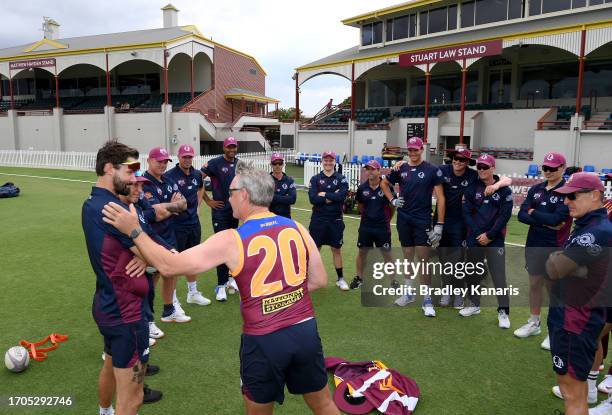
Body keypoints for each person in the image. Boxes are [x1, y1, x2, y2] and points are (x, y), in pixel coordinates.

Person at [102, 161, 340, 415]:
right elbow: (319, 280)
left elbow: (169, 266)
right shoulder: (297, 227)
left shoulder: (231, 239)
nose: (228, 197)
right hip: (305, 330)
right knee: (323, 403)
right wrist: (284, 296)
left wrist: (134, 230)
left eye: (232, 192)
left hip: (264, 339)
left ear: (245, 195)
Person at [82, 141, 162, 415]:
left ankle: (104, 412)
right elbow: (159, 259)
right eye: (129, 172)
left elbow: (140, 251)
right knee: (133, 397)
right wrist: (146, 254)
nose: (132, 179)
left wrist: (141, 254)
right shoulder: (114, 210)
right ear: (108, 168)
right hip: (126, 313)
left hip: (108, 304)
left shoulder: (94, 201)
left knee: (110, 365)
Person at [544, 172, 611, 415]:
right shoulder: (590, 225)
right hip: (577, 317)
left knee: (571, 392)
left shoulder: (595, 232)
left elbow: (553, 268)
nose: (566, 201)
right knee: (576, 389)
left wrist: (557, 261)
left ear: (594, 196)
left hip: (574, 321)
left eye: (572, 196)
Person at [380, 137, 445, 317]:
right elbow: (384, 183)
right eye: (410, 150)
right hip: (404, 219)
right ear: (407, 151)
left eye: (416, 150)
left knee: (423, 259)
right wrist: (392, 199)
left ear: (421, 150)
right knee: (408, 257)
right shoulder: (401, 168)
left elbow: (441, 198)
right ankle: (408, 293)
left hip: (423, 219)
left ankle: (427, 299)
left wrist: (439, 224)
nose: (413, 153)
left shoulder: (431, 170)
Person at [516, 152, 572, 349]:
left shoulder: (567, 192)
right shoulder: (536, 189)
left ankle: (554, 330)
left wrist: (534, 213)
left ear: (563, 168)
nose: (548, 171)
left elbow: (557, 220)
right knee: (534, 284)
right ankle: (534, 322)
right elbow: (522, 215)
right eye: (545, 168)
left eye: (553, 168)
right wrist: (541, 218)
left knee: (553, 289)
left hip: (555, 247)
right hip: (534, 243)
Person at [461, 154, 513, 328]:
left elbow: (504, 216)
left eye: (485, 167)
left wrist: (490, 235)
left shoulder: (504, 189)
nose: (481, 170)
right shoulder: (471, 187)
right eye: (479, 167)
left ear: (493, 168)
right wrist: (479, 235)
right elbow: (466, 212)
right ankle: (474, 304)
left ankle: (503, 311)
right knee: (473, 273)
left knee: (499, 276)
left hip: (495, 239)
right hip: (475, 238)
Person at [143, 147, 190, 323]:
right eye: (159, 161)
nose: (162, 165)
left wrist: (167, 206)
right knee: (152, 277)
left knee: (171, 272)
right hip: (152, 237)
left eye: (165, 162)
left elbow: (183, 204)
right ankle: (147, 320)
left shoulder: (168, 180)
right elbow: (156, 214)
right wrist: (172, 206)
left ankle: (169, 310)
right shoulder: (144, 183)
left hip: (169, 235)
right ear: (149, 160)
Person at [164, 144, 211, 306]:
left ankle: (192, 293)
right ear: (179, 157)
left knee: (193, 259)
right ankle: (173, 299)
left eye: (190, 157)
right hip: (176, 225)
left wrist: (197, 204)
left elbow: (200, 187)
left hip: (193, 223)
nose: (187, 160)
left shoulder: (197, 174)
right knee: (176, 262)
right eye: (184, 157)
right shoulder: (169, 176)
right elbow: (165, 197)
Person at [201, 137, 240, 301]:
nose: (231, 149)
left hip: (235, 211)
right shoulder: (214, 163)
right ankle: (221, 285)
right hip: (220, 211)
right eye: (229, 147)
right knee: (221, 247)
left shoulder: (239, 164)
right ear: (224, 148)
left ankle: (232, 279)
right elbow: (197, 179)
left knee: (233, 245)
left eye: (234, 147)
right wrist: (208, 200)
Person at [308, 151, 349, 291]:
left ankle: (341, 279)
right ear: (322, 161)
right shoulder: (315, 179)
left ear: (334, 162)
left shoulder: (341, 178)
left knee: (336, 249)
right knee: (315, 249)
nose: (328, 162)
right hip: (318, 219)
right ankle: (310, 278)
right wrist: (333, 196)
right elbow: (313, 199)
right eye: (325, 160)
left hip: (335, 219)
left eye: (331, 160)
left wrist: (324, 194)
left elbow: (342, 197)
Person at [350, 159, 395, 289]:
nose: (369, 171)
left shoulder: (387, 186)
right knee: (362, 253)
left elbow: (392, 207)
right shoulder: (362, 188)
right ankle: (359, 278)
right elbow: (360, 207)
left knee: (387, 254)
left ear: (379, 171)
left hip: (382, 227)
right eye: (368, 169)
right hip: (366, 227)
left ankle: (393, 281)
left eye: (373, 169)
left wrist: (386, 220)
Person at [269, 152, 296, 218]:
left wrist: (273, 197)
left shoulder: (289, 180)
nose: (277, 166)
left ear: (283, 164)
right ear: (271, 164)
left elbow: (292, 199)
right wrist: (284, 197)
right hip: (269, 217)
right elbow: (264, 199)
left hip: (285, 217)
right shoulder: (266, 180)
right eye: (275, 163)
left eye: (280, 163)